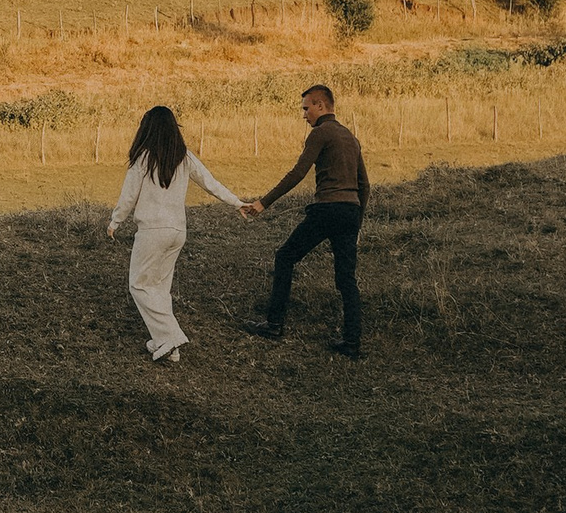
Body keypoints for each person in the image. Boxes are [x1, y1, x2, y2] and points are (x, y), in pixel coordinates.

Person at [107, 102, 246, 362]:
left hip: (152, 231)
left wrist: (115, 222)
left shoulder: (143, 158)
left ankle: (171, 335)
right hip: (177, 231)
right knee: (159, 288)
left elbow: (129, 196)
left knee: (138, 284)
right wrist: (237, 202)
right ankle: (169, 347)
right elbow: (210, 183)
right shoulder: (184, 156)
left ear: (147, 129)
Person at [242, 82, 370, 355]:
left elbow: (298, 172)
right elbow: (365, 186)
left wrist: (264, 202)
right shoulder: (350, 137)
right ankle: (352, 342)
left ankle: (274, 323)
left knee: (285, 256)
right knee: (346, 278)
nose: (304, 115)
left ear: (321, 105)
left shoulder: (320, 133)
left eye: (306, 108)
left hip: (327, 209)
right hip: (350, 211)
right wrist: (357, 222)